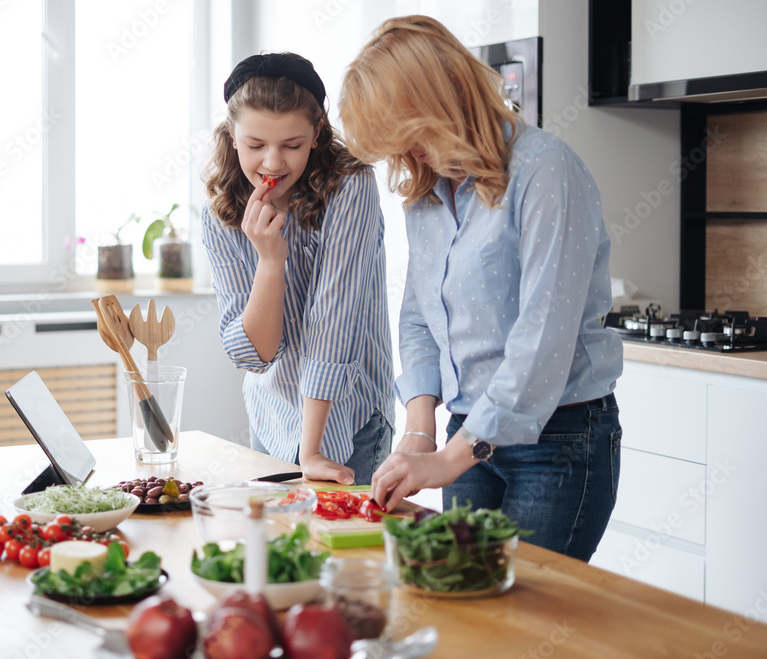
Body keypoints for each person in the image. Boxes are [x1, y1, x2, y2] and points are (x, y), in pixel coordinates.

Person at [339, 16, 624, 561]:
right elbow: (419, 315)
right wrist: (420, 431)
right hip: (465, 433)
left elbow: (543, 335)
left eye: (411, 137)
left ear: (444, 101)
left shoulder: (545, 171)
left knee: (529, 622)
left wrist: (446, 461)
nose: (409, 157)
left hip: (559, 438)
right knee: (471, 607)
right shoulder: (426, 197)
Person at [202, 52, 395, 486]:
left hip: (350, 419)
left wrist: (312, 450)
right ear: (232, 135)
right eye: (255, 145)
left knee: (342, 552)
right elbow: (254, 354)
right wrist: (270, 261)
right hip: (271, 420)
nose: (272, 163)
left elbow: (334, 322)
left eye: (291, 146)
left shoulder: (352, 187)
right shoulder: (219, 213)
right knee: (274, 552)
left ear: (317, 133)